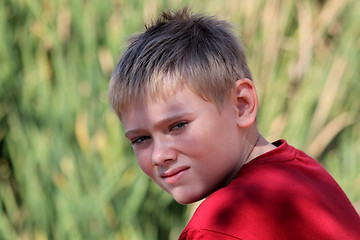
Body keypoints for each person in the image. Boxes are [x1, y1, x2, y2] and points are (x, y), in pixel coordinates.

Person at [108, 7, 360, 240]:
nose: (159, 155)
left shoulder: (218, 226)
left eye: (177, 126)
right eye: (141, 139)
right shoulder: (306, 174)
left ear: (242, 105)